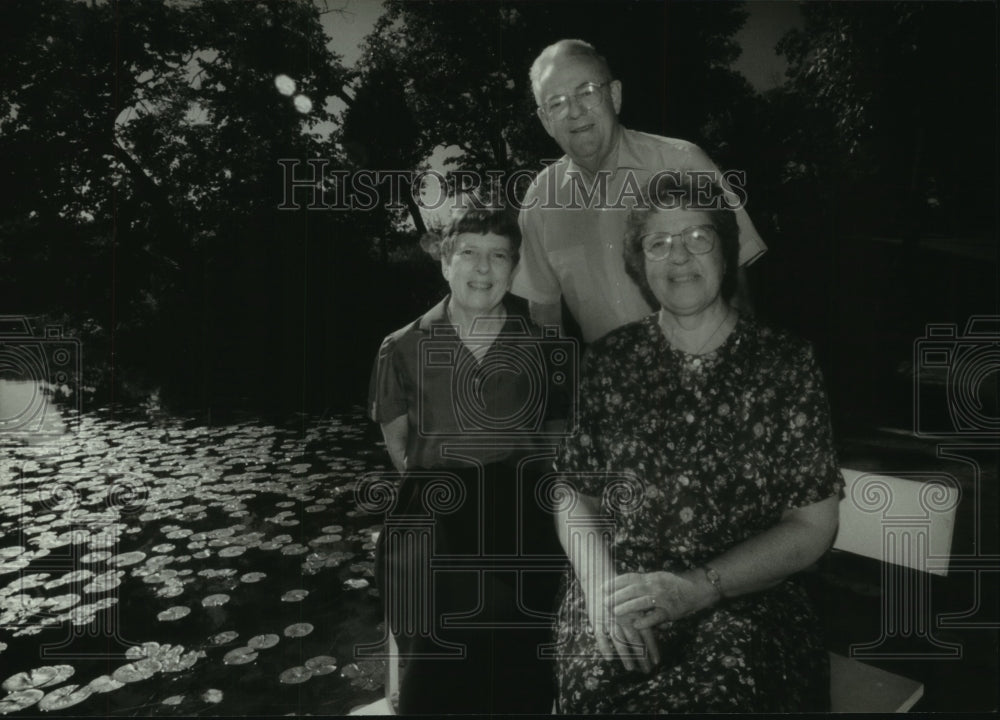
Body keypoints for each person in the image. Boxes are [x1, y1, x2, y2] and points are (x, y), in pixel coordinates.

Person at [550, 173, 842, 713]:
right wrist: (596, 583)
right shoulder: (611, 361)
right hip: (624, 585)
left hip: (747, 596)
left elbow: (813, 526)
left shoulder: (784, 365)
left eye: (697, 237)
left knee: (717, 701)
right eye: (658, 242)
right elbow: (573, 493)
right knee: (595, 691)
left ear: (726, 253)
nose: (678, 256)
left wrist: (698, 587)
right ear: (640, 264)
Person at [367, 201, 568, 714]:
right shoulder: (402, 346)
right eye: (469, 253)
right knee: (437, 657)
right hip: (432, 510)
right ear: (444, 262)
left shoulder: (544, 346)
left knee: (520, 658)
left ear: (514, 267)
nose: (483, 268)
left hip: (520, 508)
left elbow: (555, 439)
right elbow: (399, 446)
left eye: (499, 255)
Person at [512, 38, 767, 344]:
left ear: (615, 96)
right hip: (607, 387)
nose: (575, 111)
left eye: (587, 92)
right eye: (557, 103)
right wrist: (564, 386)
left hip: (704, 376)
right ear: (545, 121)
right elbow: (544, 315)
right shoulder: (539, 202)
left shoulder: (682, 162)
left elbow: (737, 285)